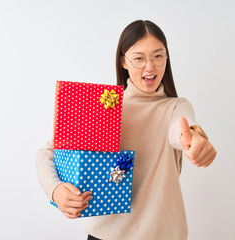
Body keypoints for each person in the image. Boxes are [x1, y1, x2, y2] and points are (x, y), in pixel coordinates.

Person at [36, 20, 217, 240]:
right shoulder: (106, 104)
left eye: (158, 56)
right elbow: (48, 152)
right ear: (123, 61)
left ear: (166, 58)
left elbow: (181, 128)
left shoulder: (175, 107)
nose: (150, 67)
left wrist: (194, 139)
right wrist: (55, 191)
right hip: (106, 234)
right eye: (139, 58)